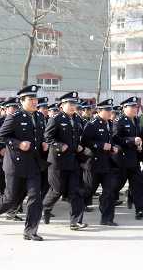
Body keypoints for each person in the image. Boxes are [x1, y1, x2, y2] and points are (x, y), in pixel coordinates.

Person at [0, 85, 45, 241]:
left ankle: (30, 231)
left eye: (35, 99)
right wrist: (18, 144)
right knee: (11, 198)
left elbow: (40, 137)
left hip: (33, 164)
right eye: (31, 99)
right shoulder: (15, 117)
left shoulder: (40, 117)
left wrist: (44, 143)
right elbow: (0, 137)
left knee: (35, 197)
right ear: (22, 101)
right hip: (16, 164)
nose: (34, 102)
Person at [43, 91, 87, 231]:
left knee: (76, 191)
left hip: (73, 160)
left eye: (75, 103)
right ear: (62, 106)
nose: (73, 106)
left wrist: (79, 146)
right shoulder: (55, 119)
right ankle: (46, 207)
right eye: (70, 103)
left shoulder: (78, 119)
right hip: (57, 161)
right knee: (57, 190)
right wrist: (60, 145)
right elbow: (48, 138)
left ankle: (75, 221)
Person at [112, 96, 143, 220]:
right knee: (116, 185)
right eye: (133, 107)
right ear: (124, 108)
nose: (136, 109)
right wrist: (131, 140)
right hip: (122, 159)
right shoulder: (119, 121)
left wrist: (139, 145)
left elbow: (137, 137)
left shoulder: (135, 120)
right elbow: (115, 138)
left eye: (136, 107)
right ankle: (105, 204)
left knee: (138, 184)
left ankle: (141, 210)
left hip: (133, 158)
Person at [81, 99, 120, 226]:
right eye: (107, 110)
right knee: (88, 191)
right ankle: (76, 218)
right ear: (99, 111)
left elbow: (110, 140)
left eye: (110, 110)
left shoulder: (109, 123)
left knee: (110, 190)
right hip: (93, 163)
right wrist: (101, 145)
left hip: (107, 163)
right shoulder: (92, 124)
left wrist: (113, 147)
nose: (110, 113)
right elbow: (85, 142)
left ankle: (107, 218)